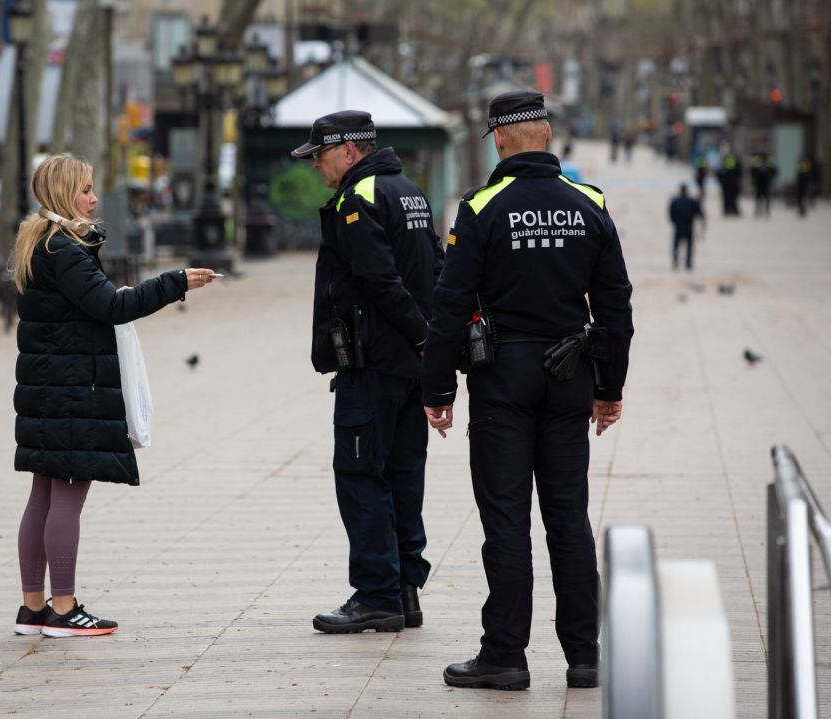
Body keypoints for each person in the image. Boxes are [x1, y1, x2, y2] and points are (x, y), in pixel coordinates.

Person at [420, 90, 633, 691]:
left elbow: (450, 303)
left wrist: (436, 388)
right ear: (544, 135)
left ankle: (506, 656)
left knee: (507, 521)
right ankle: (585, 656)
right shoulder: (588, 203)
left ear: (503, 139)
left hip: (503, 378)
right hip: (571, 374)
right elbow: (616, 304)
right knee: (568, 518)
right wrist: (609, 385)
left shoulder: (481, 206)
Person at [11, 154, 216, 637]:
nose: (93, 197)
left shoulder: (38, 242)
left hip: (47, 389)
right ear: (64, 194)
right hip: (72, 390)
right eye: (85, 189)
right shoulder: (65, 249)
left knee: (42, 495)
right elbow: (112, 307)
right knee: (66, 496)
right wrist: (175, 283)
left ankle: (32, 608)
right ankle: (63, 609)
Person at [291, 110, 443, 634]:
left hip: (373, 363)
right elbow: (437, 271)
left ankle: (377, 593)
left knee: (360, 474)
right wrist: (432, 344)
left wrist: (422, 336)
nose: (316, 165)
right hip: (409, 368)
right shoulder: (410, 191)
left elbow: (380, 282)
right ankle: (404, 591)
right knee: (405, 475)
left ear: (349, 151)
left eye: (320, 155)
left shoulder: (359, 199)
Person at [668, 183, 704, 271]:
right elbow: (699, 213)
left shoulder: (675, 201)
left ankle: (675, 260)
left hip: (678, 226)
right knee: (689, 246)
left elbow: (671, 214)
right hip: (688, 226)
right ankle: (688, 263)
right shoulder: (692, 201)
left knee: (676, 245)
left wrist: (674, 222)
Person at [750, 152, 777, 218]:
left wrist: (771, 177)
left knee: (764, 197)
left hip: (764, 182)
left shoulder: (766, 161)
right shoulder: (759, 160)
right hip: (760, 182)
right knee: (761, 196)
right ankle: (760, 210)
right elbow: (752, 170)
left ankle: (764, 210)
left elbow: (774, 170)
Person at [716, 150, 743, 216]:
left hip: (726, 183)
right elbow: (740, 173)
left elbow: (719, 173)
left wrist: (721, 181)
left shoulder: (725, 164)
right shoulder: (736, 164)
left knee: (726, 197)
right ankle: (733, 209)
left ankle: (727, 210)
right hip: (733, 183)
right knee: (733, 197)